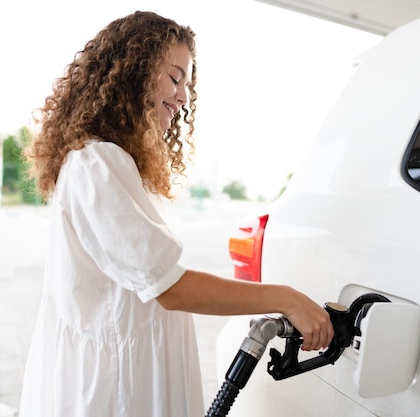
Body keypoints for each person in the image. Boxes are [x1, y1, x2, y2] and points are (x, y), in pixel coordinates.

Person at [18, 11, 333, 417]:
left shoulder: (112, 162)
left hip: (124, 377)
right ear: (134, 70)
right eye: (174, 77)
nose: (183, 96)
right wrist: (286, 299)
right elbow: (170, 288)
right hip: (114, 391)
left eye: (186, 82)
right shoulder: (96, 163)